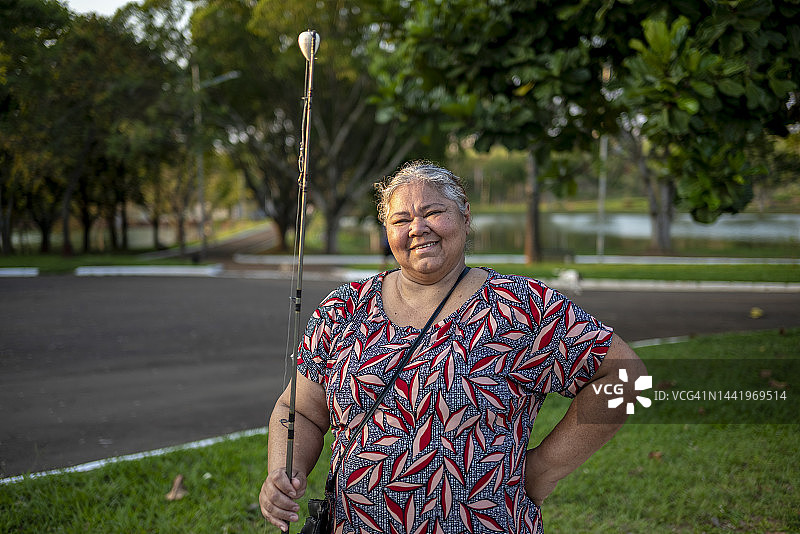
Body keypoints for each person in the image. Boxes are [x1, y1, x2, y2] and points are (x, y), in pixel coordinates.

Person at [260, 161, 646, 534]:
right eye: (400, 220)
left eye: (433, 212)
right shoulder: (343, 308)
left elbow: (627, 376)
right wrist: (283, 471)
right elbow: (300, 410)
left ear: (465, 216)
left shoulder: (522, 307)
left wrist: (543, 469)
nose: (418, 228)